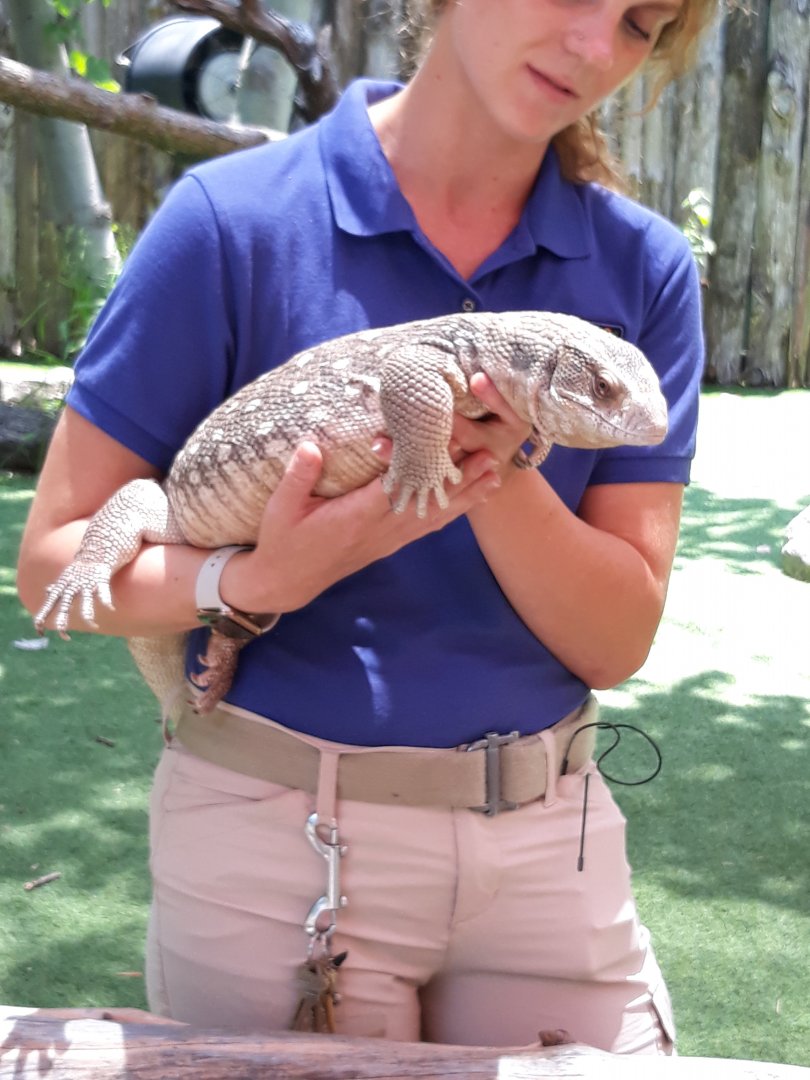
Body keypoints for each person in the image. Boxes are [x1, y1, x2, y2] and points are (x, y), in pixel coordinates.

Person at [18, 0, 716, 1053]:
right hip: (273, 850)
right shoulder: (229, 219)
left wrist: (492, 465)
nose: (594, 47)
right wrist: (250, 583)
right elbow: (53, 571)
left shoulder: (644, 268)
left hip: (551, 846)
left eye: (638, 24)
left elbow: (615, 643)